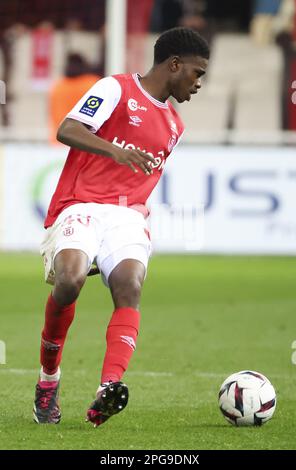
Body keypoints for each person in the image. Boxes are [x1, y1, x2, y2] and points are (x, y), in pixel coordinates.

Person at [33, 27, 209, 427]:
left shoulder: (175, 127)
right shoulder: (115, 89)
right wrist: (116, 150)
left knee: (129, 285)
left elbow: (140, 182)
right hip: (80, 204)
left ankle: (107, 389)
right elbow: (67, 129)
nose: (198, 84)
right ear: (174, 64)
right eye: (196, 74)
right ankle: (48, 379)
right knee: (70, 281)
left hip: (128, 214)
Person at [49, 53, 100, 143]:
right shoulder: (93, 84)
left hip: (59, 139)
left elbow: (53, 113)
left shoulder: (58, 86)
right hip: (85, 142)